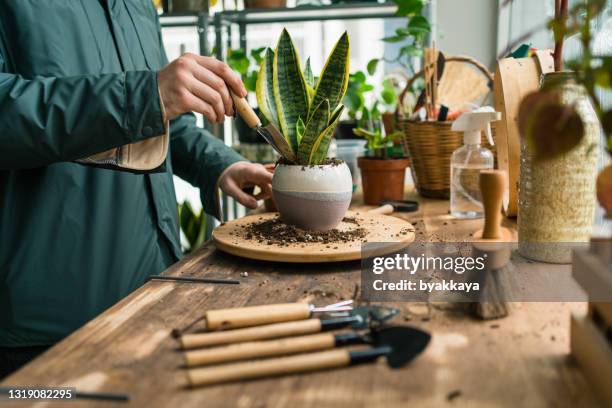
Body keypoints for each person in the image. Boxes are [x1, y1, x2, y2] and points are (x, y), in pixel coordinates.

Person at [0, 1, 272, 378]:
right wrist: (145, 95)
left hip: (154, 290)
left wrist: (220, 163)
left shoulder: (138, 4)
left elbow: (159, 119)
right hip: (48, 325)